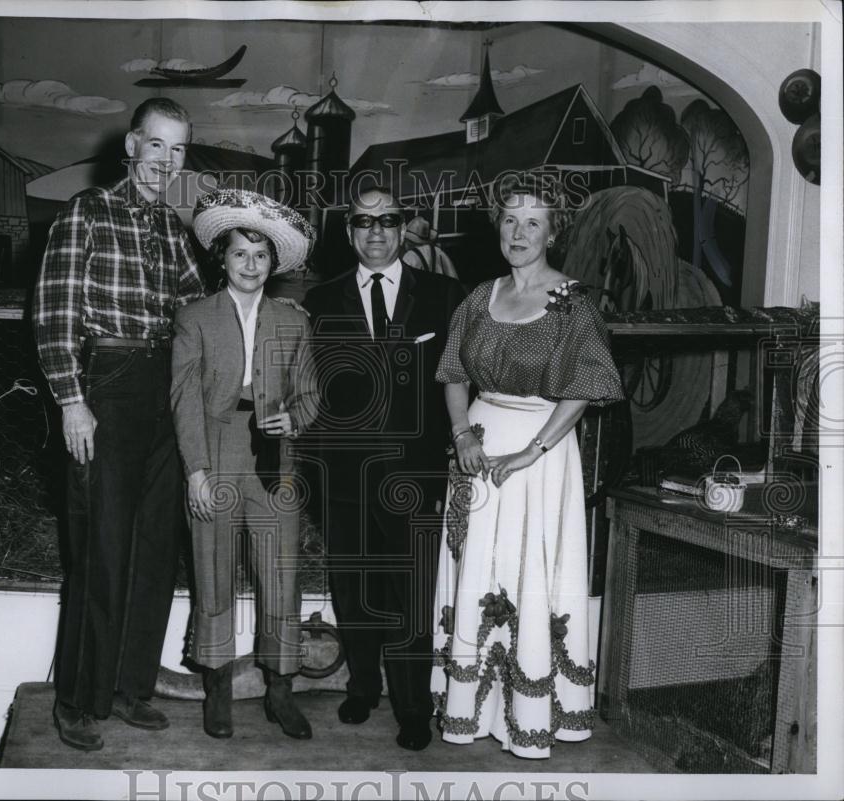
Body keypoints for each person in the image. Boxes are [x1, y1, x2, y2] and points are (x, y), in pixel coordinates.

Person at [431, 172, 625, 758]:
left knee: (529, 573)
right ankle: (472, 709)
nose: (518, 232)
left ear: (552, 233)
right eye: (510, 219)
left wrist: (532, 450)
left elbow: (586, 388)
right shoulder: (479, 296)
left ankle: (533, 713)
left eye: (532, 222)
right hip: (478, 452)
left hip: (539, 456)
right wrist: (463, 433)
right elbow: (453, 373)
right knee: (480, 573)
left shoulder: (572, 302)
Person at [33, 97, 205, 751]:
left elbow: (197, 310)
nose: (167, 160)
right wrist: (72, 400)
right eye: (157, 145)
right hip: (105, 387)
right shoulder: (86, 213)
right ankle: (78, 696)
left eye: (179, 149)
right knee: (100, 549)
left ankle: (130, 686)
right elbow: (54, 312)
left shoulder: (172, 227)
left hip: (164, 392)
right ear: (132, 146)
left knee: (154, 548)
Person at [303, 186, 465, 751]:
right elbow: (309, 391)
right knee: (353, 586)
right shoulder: (320, 301)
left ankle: (414, 707)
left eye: (388, 220)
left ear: (403, 228)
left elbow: (461, 380)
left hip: (414, 477)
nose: (376, 231)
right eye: (364, 222)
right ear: (348, 232)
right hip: (341, 474)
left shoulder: (445, 296)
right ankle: (364, 686)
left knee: (410, 593)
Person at [171, 189, 320, 741]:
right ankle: (217, 687)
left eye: (260, 256)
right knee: (213, 571)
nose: (250, 265)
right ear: (222, 258)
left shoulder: (292, 321)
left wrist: (295, 421)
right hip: (215, 450)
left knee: (280, 574)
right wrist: (196, 472)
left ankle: (280, 689)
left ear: (273, 263)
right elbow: (182, 398)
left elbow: (310, 393)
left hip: (275, 461)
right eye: (239, 254)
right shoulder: (194, 318)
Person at [401, 215, 459, 280]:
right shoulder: (440, 253)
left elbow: (403, 283)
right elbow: (454, 278)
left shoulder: (410, 256)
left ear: (408, 242)